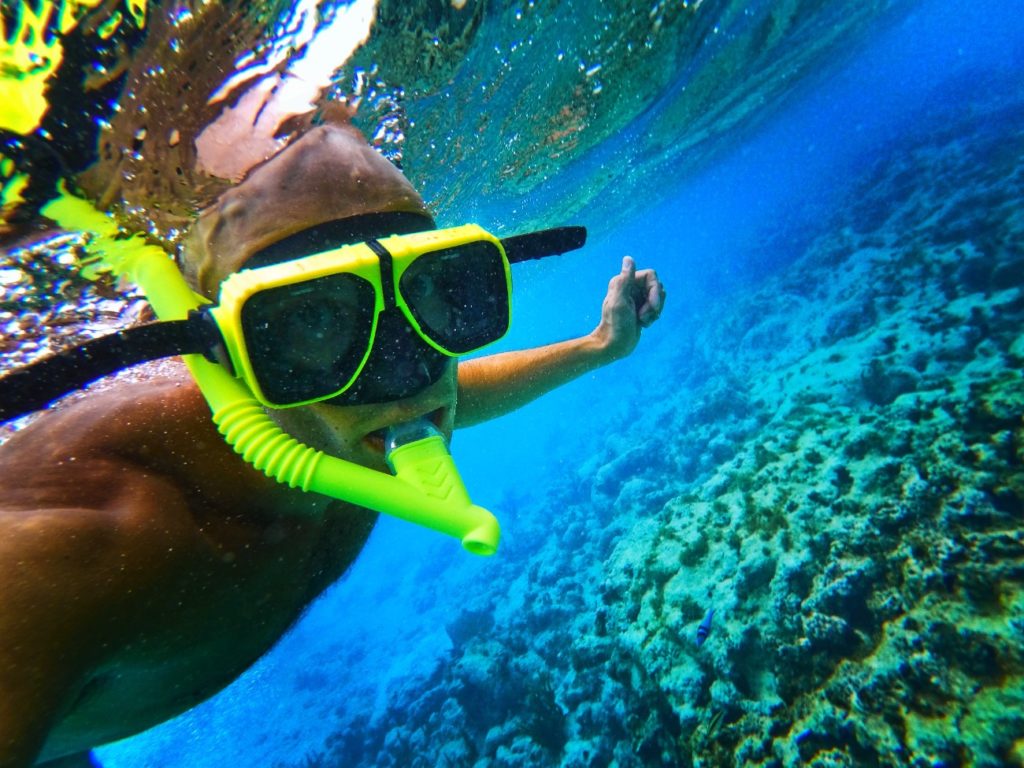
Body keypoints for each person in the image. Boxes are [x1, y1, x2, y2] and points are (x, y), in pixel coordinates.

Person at [0, 121, 664, 768]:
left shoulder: (350, 420)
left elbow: (450, 395)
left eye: (427, 287)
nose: (407, 373)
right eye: (315, 317)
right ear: (228, 357)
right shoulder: (62, 550)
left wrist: (595, 348)